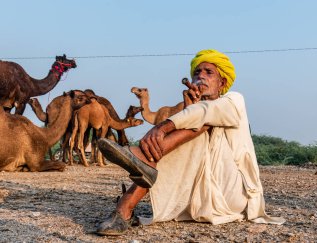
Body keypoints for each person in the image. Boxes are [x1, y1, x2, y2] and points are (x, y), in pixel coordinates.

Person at [96, 49, 285, 236]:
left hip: (232, 194)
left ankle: (126, 203)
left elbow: (206, 113)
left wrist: (161, 127)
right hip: (197, 198)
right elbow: (197, 114)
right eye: (197, 72)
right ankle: (145, 165)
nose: (200, 76)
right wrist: (189, 108)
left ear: (222, 82)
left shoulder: (234, 101)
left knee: (202, 125)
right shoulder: (195, 110)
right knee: (196, 124)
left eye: (208, 72)